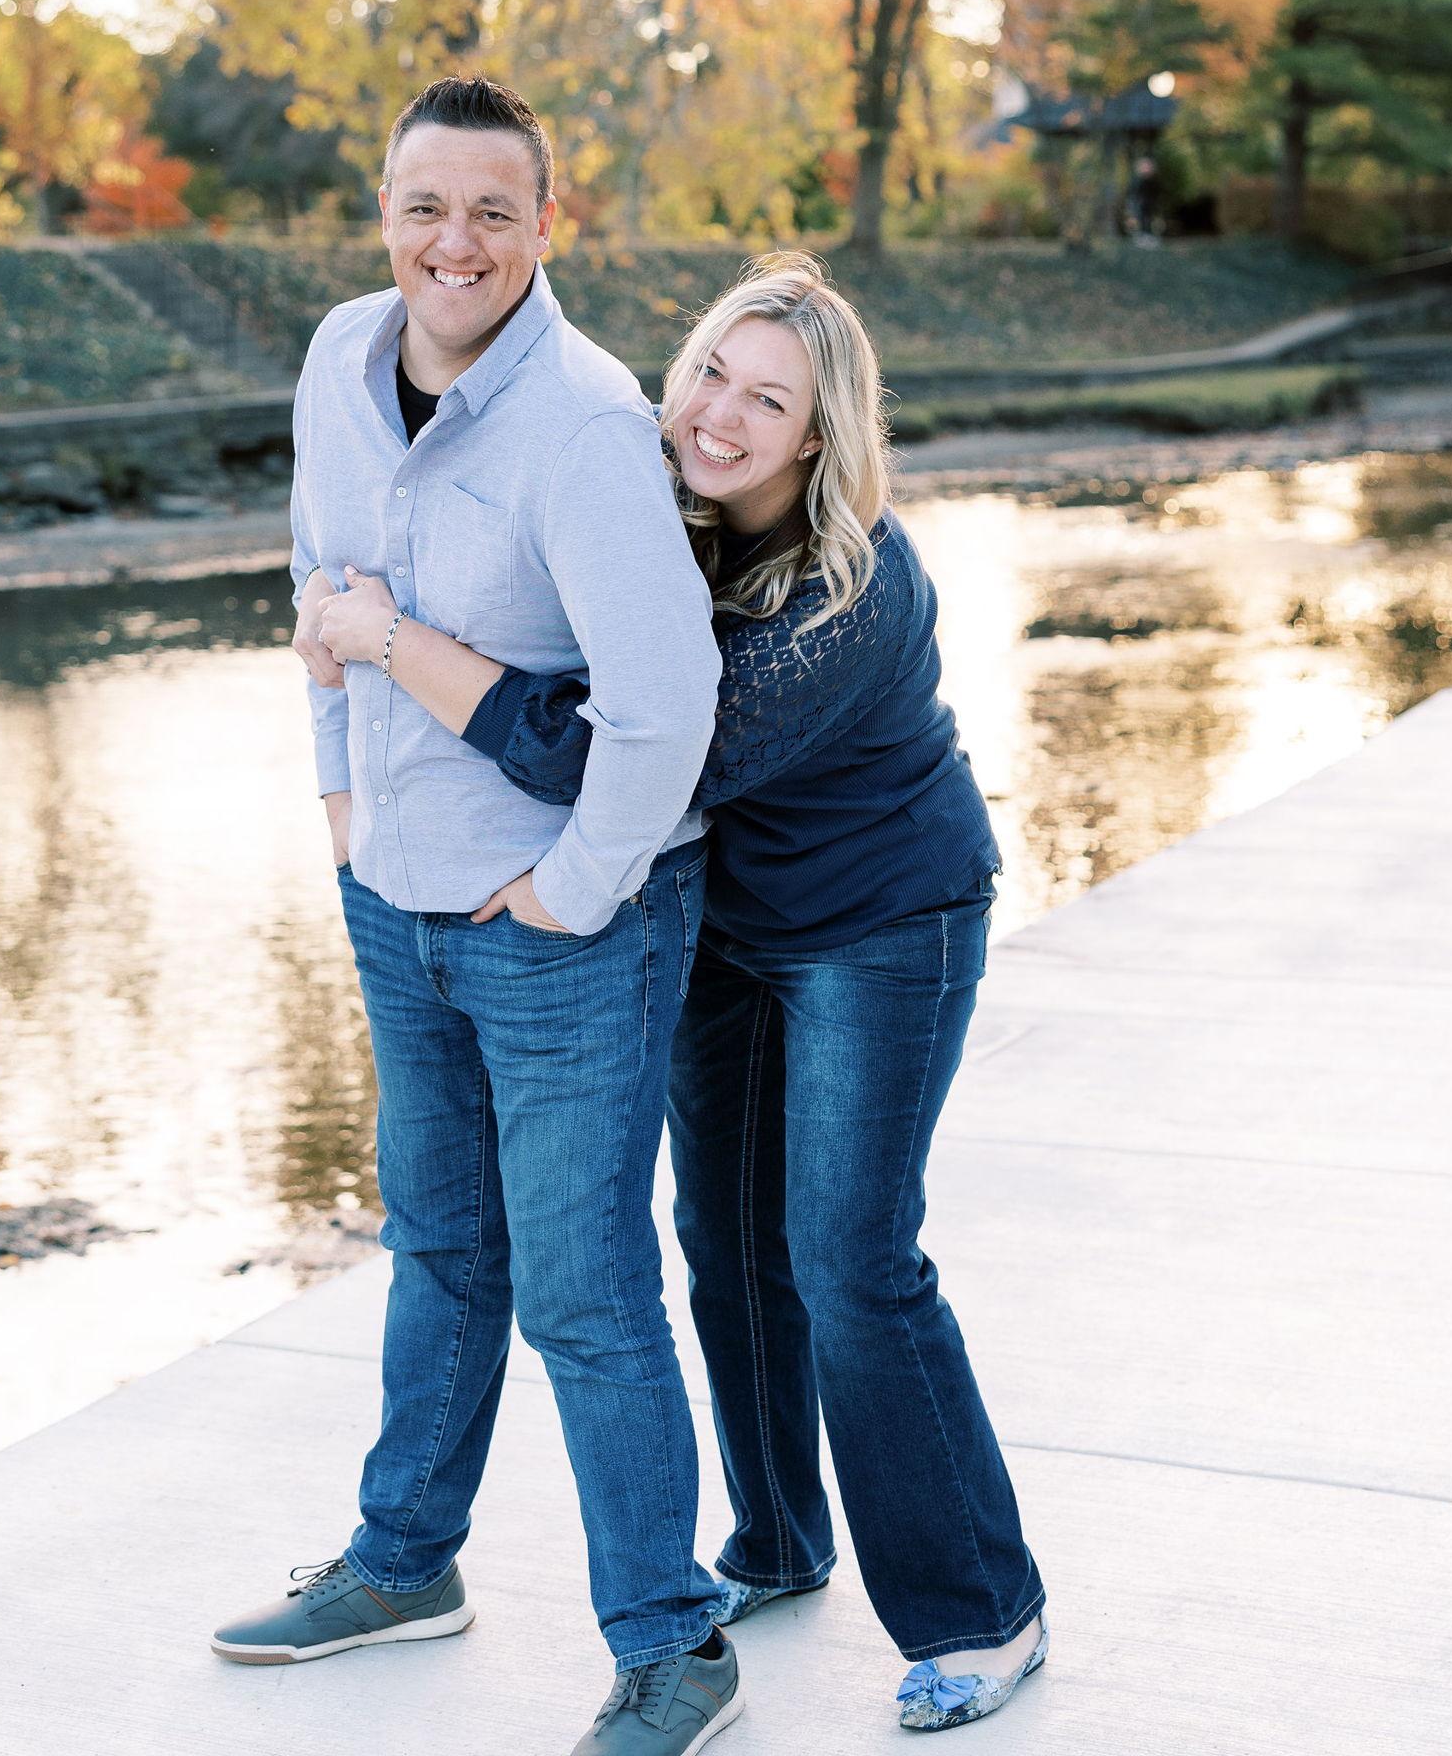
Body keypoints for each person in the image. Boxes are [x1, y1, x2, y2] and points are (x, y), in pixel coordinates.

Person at [314, 253, 1049, 1735]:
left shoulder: (855, 589)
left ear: (818, 438)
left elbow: (630, 761)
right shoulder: (658, 508)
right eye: (711, 369)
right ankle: (777, 1538)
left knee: (853, 1259)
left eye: (767, 399)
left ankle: (986, 1610)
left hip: (880, 926)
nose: (719, 412)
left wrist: (395, 644)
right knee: (723, 1238)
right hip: (723, 924)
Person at [215, 77, 744, 1756]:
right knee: (440, 1248)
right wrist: (340, 810)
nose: (457, 244)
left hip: (562, 930)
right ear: (385, 212)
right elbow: (317, 594)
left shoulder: (585, 426)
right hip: (398, 898)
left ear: (544, 226)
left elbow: (669, 709)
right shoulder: (334, 360)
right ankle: (401, 1563)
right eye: (427, 208)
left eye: (493, 213)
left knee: (584, 1290)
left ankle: (676, 1647)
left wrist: (574, 890)